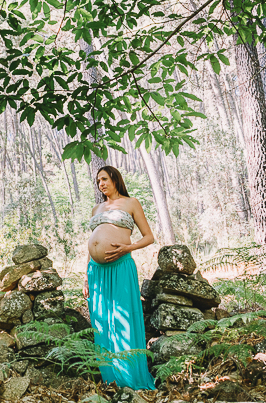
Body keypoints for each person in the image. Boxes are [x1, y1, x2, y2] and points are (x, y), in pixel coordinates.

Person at [83, 165, 156, 390]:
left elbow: (149, 237)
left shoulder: (131, 203)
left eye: (104, 179)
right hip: (96, 271)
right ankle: (110, 378)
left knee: (122, 319)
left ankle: (129, 377)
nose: (101, 184)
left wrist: (127, 248)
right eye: (98, 181)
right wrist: (85, 277)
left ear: (115, 179)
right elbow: (92, 244)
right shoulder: (97, 208)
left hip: (121, 267)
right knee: (102, 322)